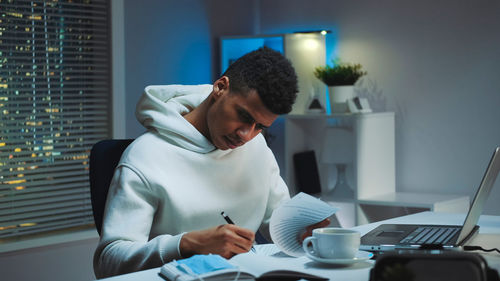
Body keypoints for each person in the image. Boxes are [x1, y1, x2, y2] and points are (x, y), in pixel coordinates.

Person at [93, 47, 329, 278]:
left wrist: (302, 230)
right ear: (220, 87)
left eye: (260, 127)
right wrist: (186, 244)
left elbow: (278, 223)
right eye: (244, 116)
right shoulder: (145, 156)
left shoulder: (255, 147)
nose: (246, 135)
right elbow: (108, 261)